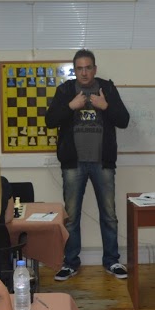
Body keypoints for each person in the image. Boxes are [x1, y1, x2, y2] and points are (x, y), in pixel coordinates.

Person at [45, 49, 130, 281]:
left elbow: (124, 120)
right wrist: (71, 106)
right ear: (75, 70)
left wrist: (106, 106)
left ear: (95, 69)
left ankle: (112, 261)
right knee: (71, 217)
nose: (84, 72)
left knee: (109, 215)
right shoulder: (65, 90)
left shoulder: (107, 89)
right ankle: (70, 263)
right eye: (80, 68)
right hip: (73, 164)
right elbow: (50, 120)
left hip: (103, 163)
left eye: (88, 67)